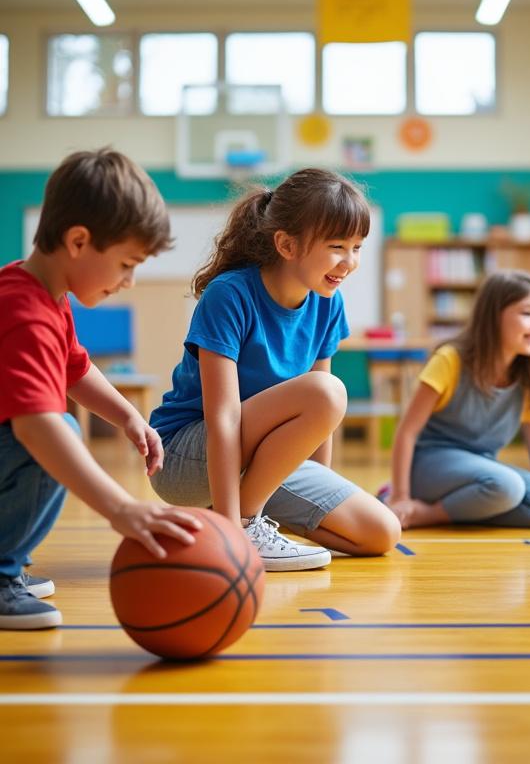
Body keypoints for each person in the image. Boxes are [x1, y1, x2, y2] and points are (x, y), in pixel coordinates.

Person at [148, 169, 401, 572]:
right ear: (286, 244)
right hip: (187, 457)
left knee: (380, 532)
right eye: (338, 246)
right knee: (327, 391)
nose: (350, 262)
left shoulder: (327, 303)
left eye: (357, 247)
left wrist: (321, 492)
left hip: (257, 463)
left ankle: (243, 521)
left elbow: (318, 429)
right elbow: (224, 417)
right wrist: (236, 524)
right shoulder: (229, 294)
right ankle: (238, 525)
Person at [0, 148, 202, 629]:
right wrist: (121, 509)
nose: (129, 282)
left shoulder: (41, 293)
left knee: (65, 428)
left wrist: (129, 417)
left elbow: (75, 368)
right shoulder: (26, 315)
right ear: (78, 241)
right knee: (61, 431)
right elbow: (36, 427)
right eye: (126, 264)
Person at [384, 271, 530, 529]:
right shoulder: (451, 360)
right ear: (494, 317)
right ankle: (422, 512)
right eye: (528, 314)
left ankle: (457, 508)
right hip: (429, 465)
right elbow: (407, 431)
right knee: (506, 485)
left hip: (483, 471)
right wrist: (400, 496)